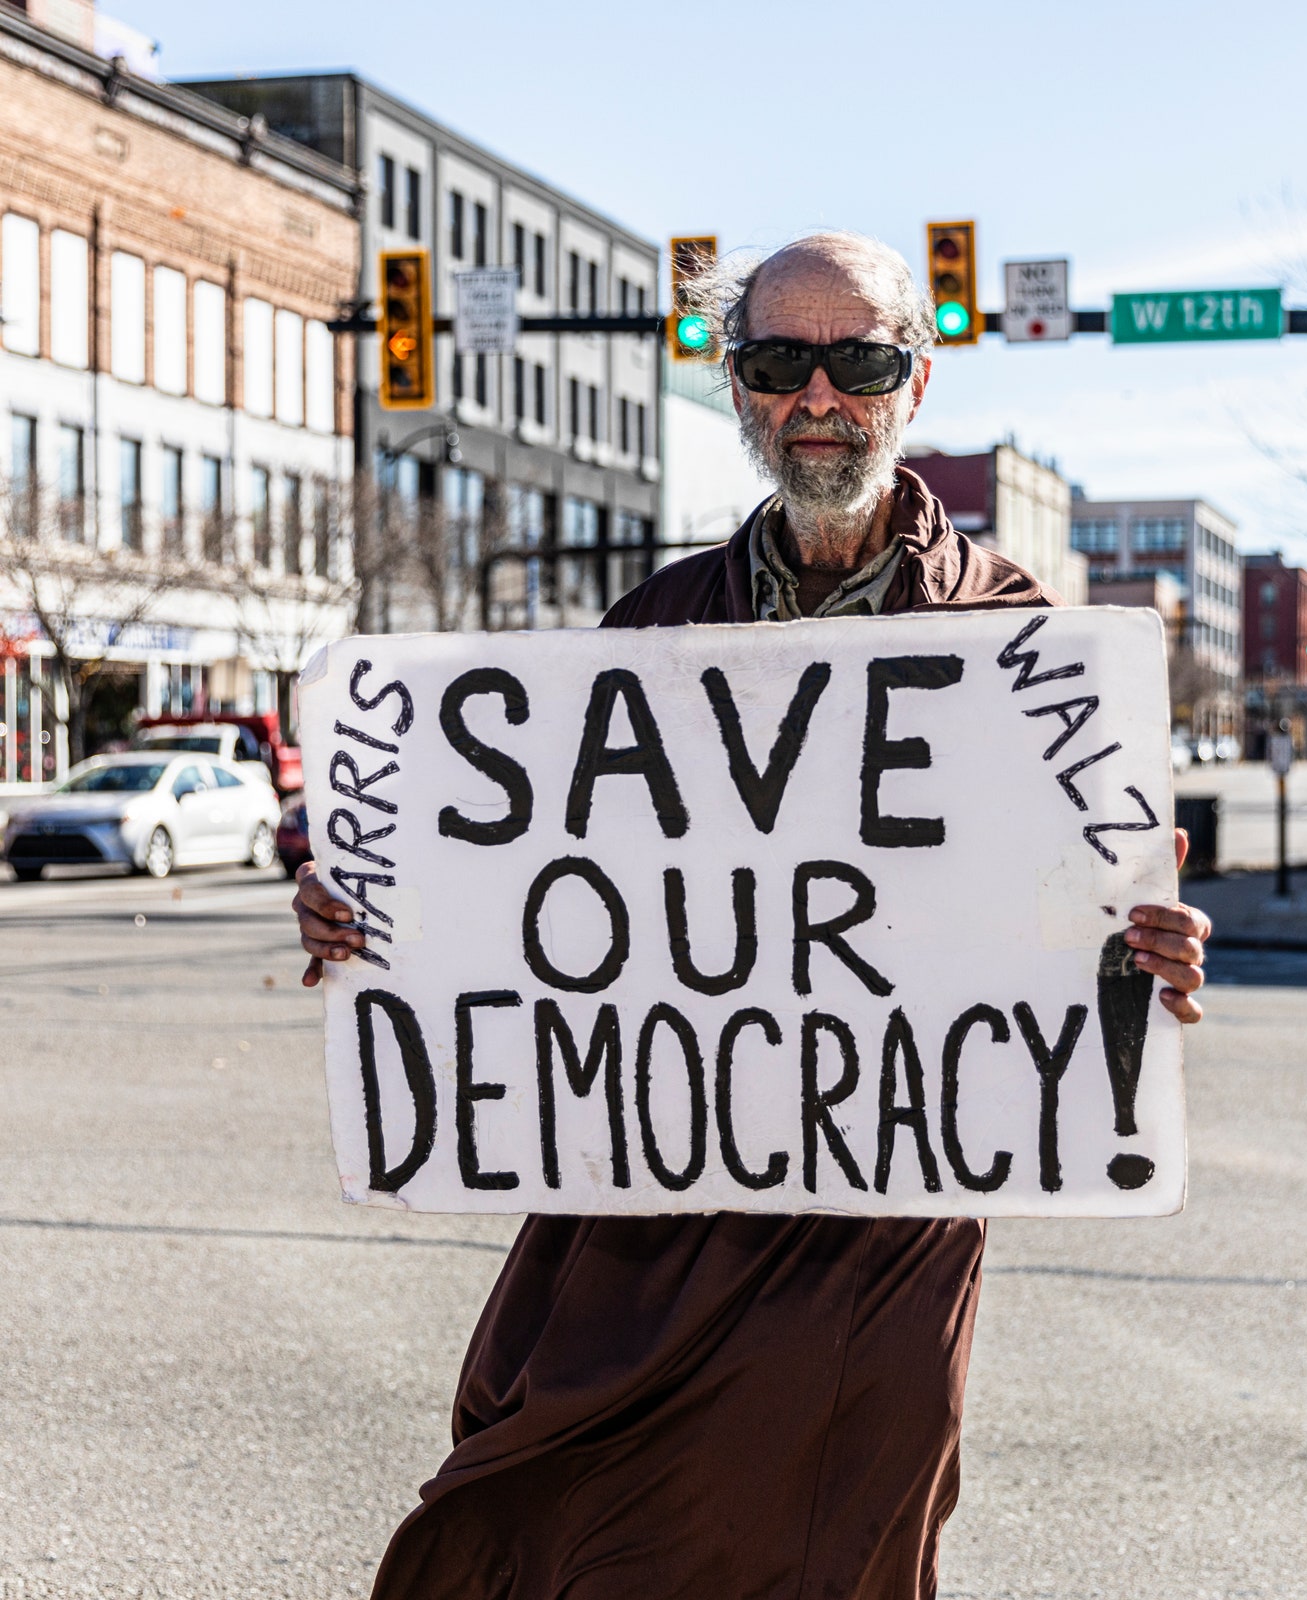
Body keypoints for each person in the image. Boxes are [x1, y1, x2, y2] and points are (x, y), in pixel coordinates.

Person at [294, 231, 1213, 1600]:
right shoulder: (657, 628)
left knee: (839, 1544)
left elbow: (1079, 920)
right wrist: (374, 914)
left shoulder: (1023, 643)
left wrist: (1151, 956)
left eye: (861, 360)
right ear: (736, 386)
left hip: (884, 1222)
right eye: (782, 362)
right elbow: (536, 886)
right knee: (554, 1523)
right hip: (652, 1224)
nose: (821, 399)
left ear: (919, 380)